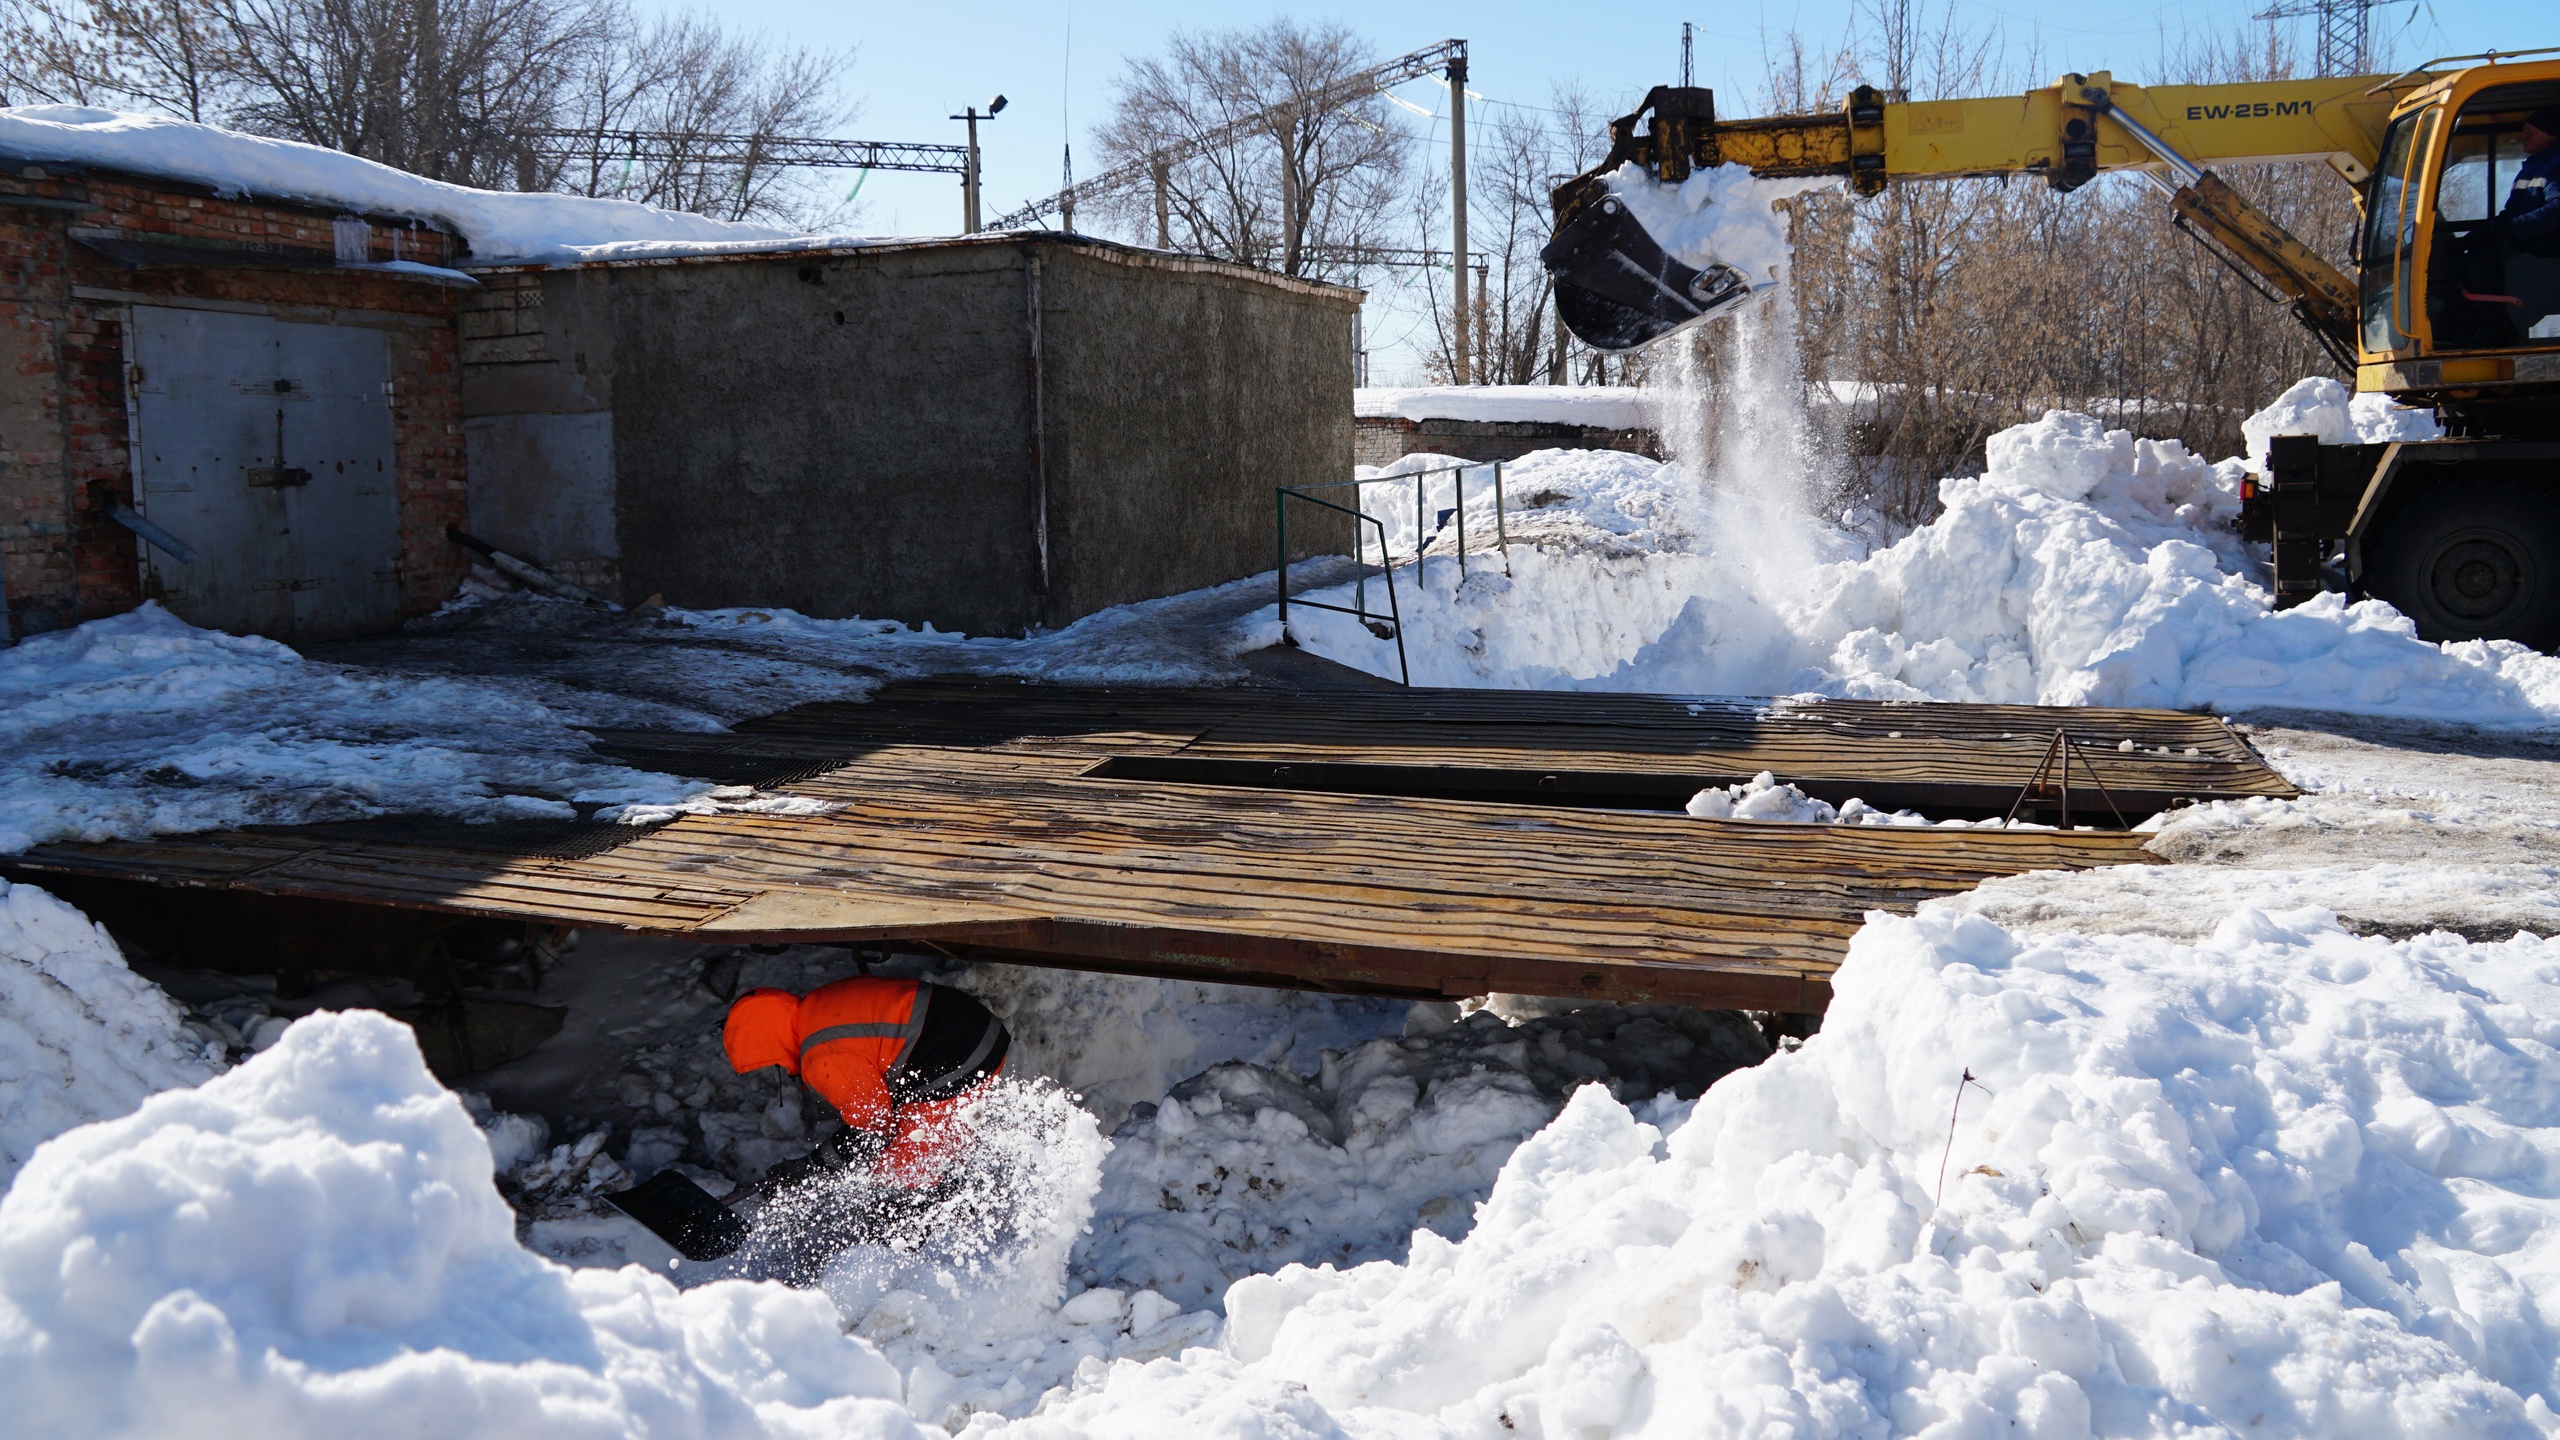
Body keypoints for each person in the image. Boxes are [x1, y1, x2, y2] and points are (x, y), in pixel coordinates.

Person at [721, 976, 1010, 1197]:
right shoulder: (816, 1007)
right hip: (968, 1029)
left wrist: (812, 1166)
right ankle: (954, 1198)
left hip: (955, 1052)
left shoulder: (822, 1055)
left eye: (773, 1063)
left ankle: (915, 1246)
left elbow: (873, 1127)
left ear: (769, 1044)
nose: (782, 1069)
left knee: (902, 1168)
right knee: (921, 1140)